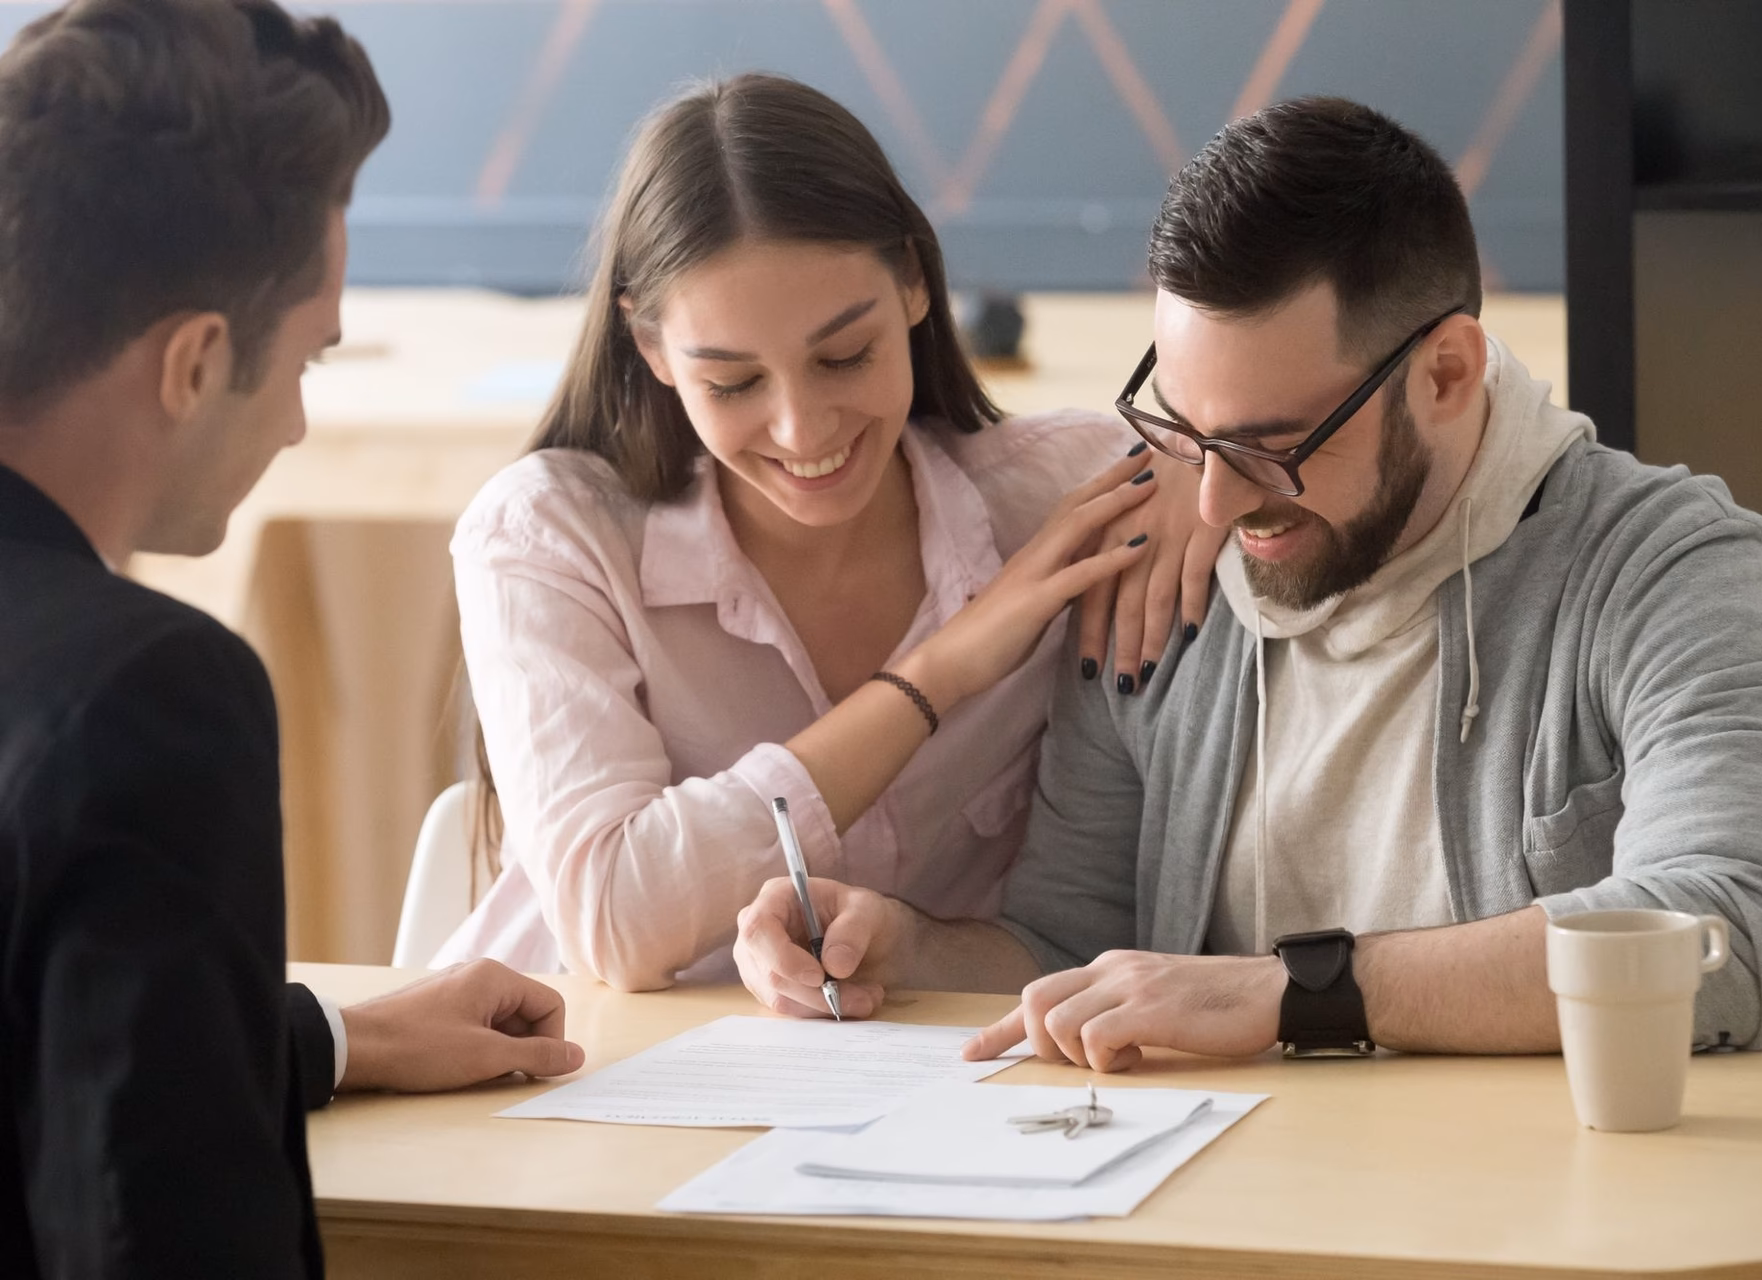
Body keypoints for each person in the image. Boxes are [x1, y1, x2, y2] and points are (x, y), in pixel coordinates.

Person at [733, 96, 1762, 1067]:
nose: (1211, 506)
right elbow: (1076, 943)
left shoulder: (1669, 568)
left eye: (1269, 445)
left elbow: (1737, 929)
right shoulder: (1162, 583)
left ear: (1446, 373)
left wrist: (1292, 992)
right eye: (1185, 431)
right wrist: (909, 944)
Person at [0, 3, 582, 1275]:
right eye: (310, 358)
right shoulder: (144, 692)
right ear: (196, 363)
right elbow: (158, 1228)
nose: (301, 428)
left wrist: (328, 1033)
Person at [435, 74, 1223, 989]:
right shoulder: (548, 535)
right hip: (587, 1081)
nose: (803, 431)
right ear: (651, 350)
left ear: (916, 287)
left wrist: (1197, 461)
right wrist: (937, 674)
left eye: (846, 356)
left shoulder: (1068, 501)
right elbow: (615, 923)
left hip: (944, 1089)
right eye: (732, 383)